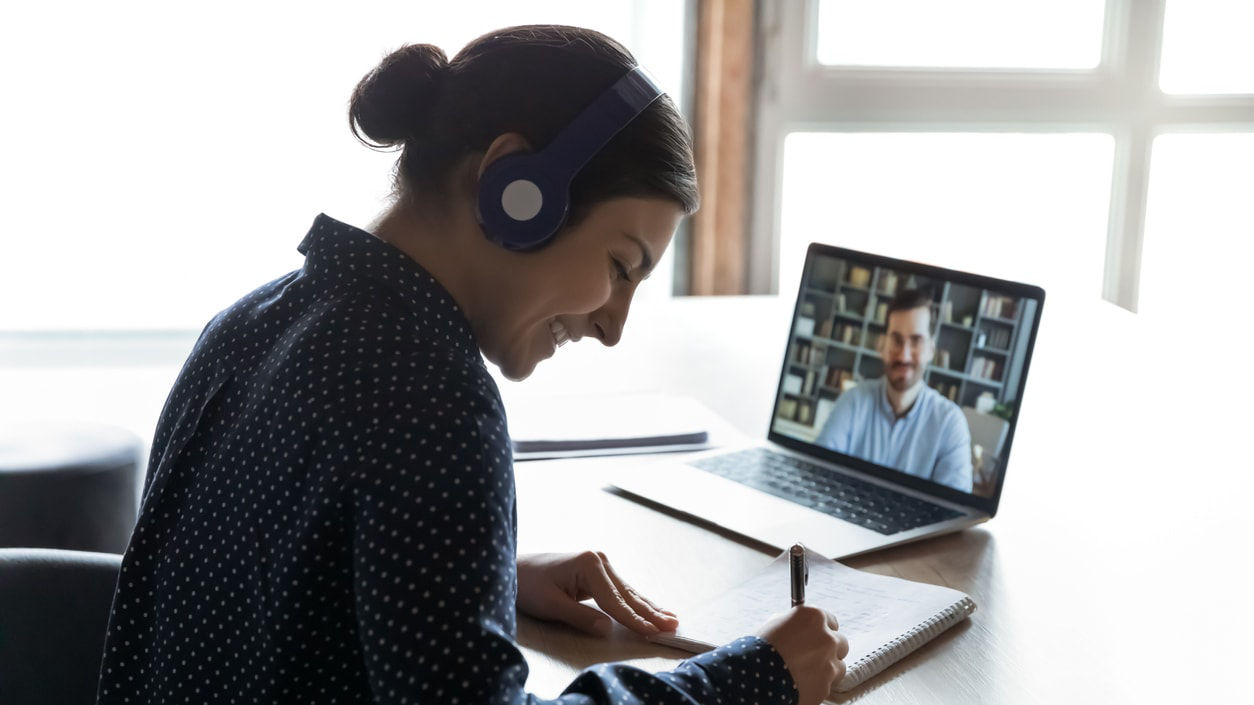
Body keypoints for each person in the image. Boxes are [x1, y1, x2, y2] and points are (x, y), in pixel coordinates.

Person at [96, 25, 848, 705]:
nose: (613, 326)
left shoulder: (249, 326)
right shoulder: (431, 399)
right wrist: (747, 681)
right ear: (517, 190)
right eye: (621, 265)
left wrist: (469, 586)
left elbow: (258, 590)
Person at [815, 288, 974, 492]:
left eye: (916, 341)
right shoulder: (852, 401)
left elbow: (953, 513)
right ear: (883, 345)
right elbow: (817, 474)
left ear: (931, 351)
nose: (904, 355)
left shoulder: (950, 423)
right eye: (897, 340)